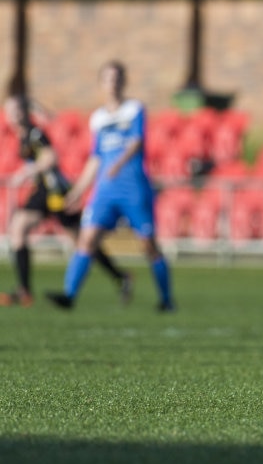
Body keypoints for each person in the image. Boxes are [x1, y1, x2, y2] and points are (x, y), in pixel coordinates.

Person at [45, 61, 175, 312]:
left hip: (133, 188)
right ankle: (69, 295)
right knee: (87, 238)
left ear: (123, 82)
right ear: (101, 84)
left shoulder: (133, 109)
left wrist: (119, 163)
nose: (112, 83)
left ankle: (166, 299)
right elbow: (96, 158)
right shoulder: (98, 118)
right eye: (107, 78)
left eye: (116, 78)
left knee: (148, 244)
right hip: (105, 190)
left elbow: (137, 141)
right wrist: (78, 191)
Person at [1, 94, 133, 307]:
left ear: (25, 112)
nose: (14, 116)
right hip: (41, 192)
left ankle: (120, 277)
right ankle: (24, 290)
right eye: (10, 112)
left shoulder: (35, 134)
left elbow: (51, 158)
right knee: (19, 229)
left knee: (82, 242)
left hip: (55, 192)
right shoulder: (23, 135)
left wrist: (27, 172)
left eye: (17, 110)